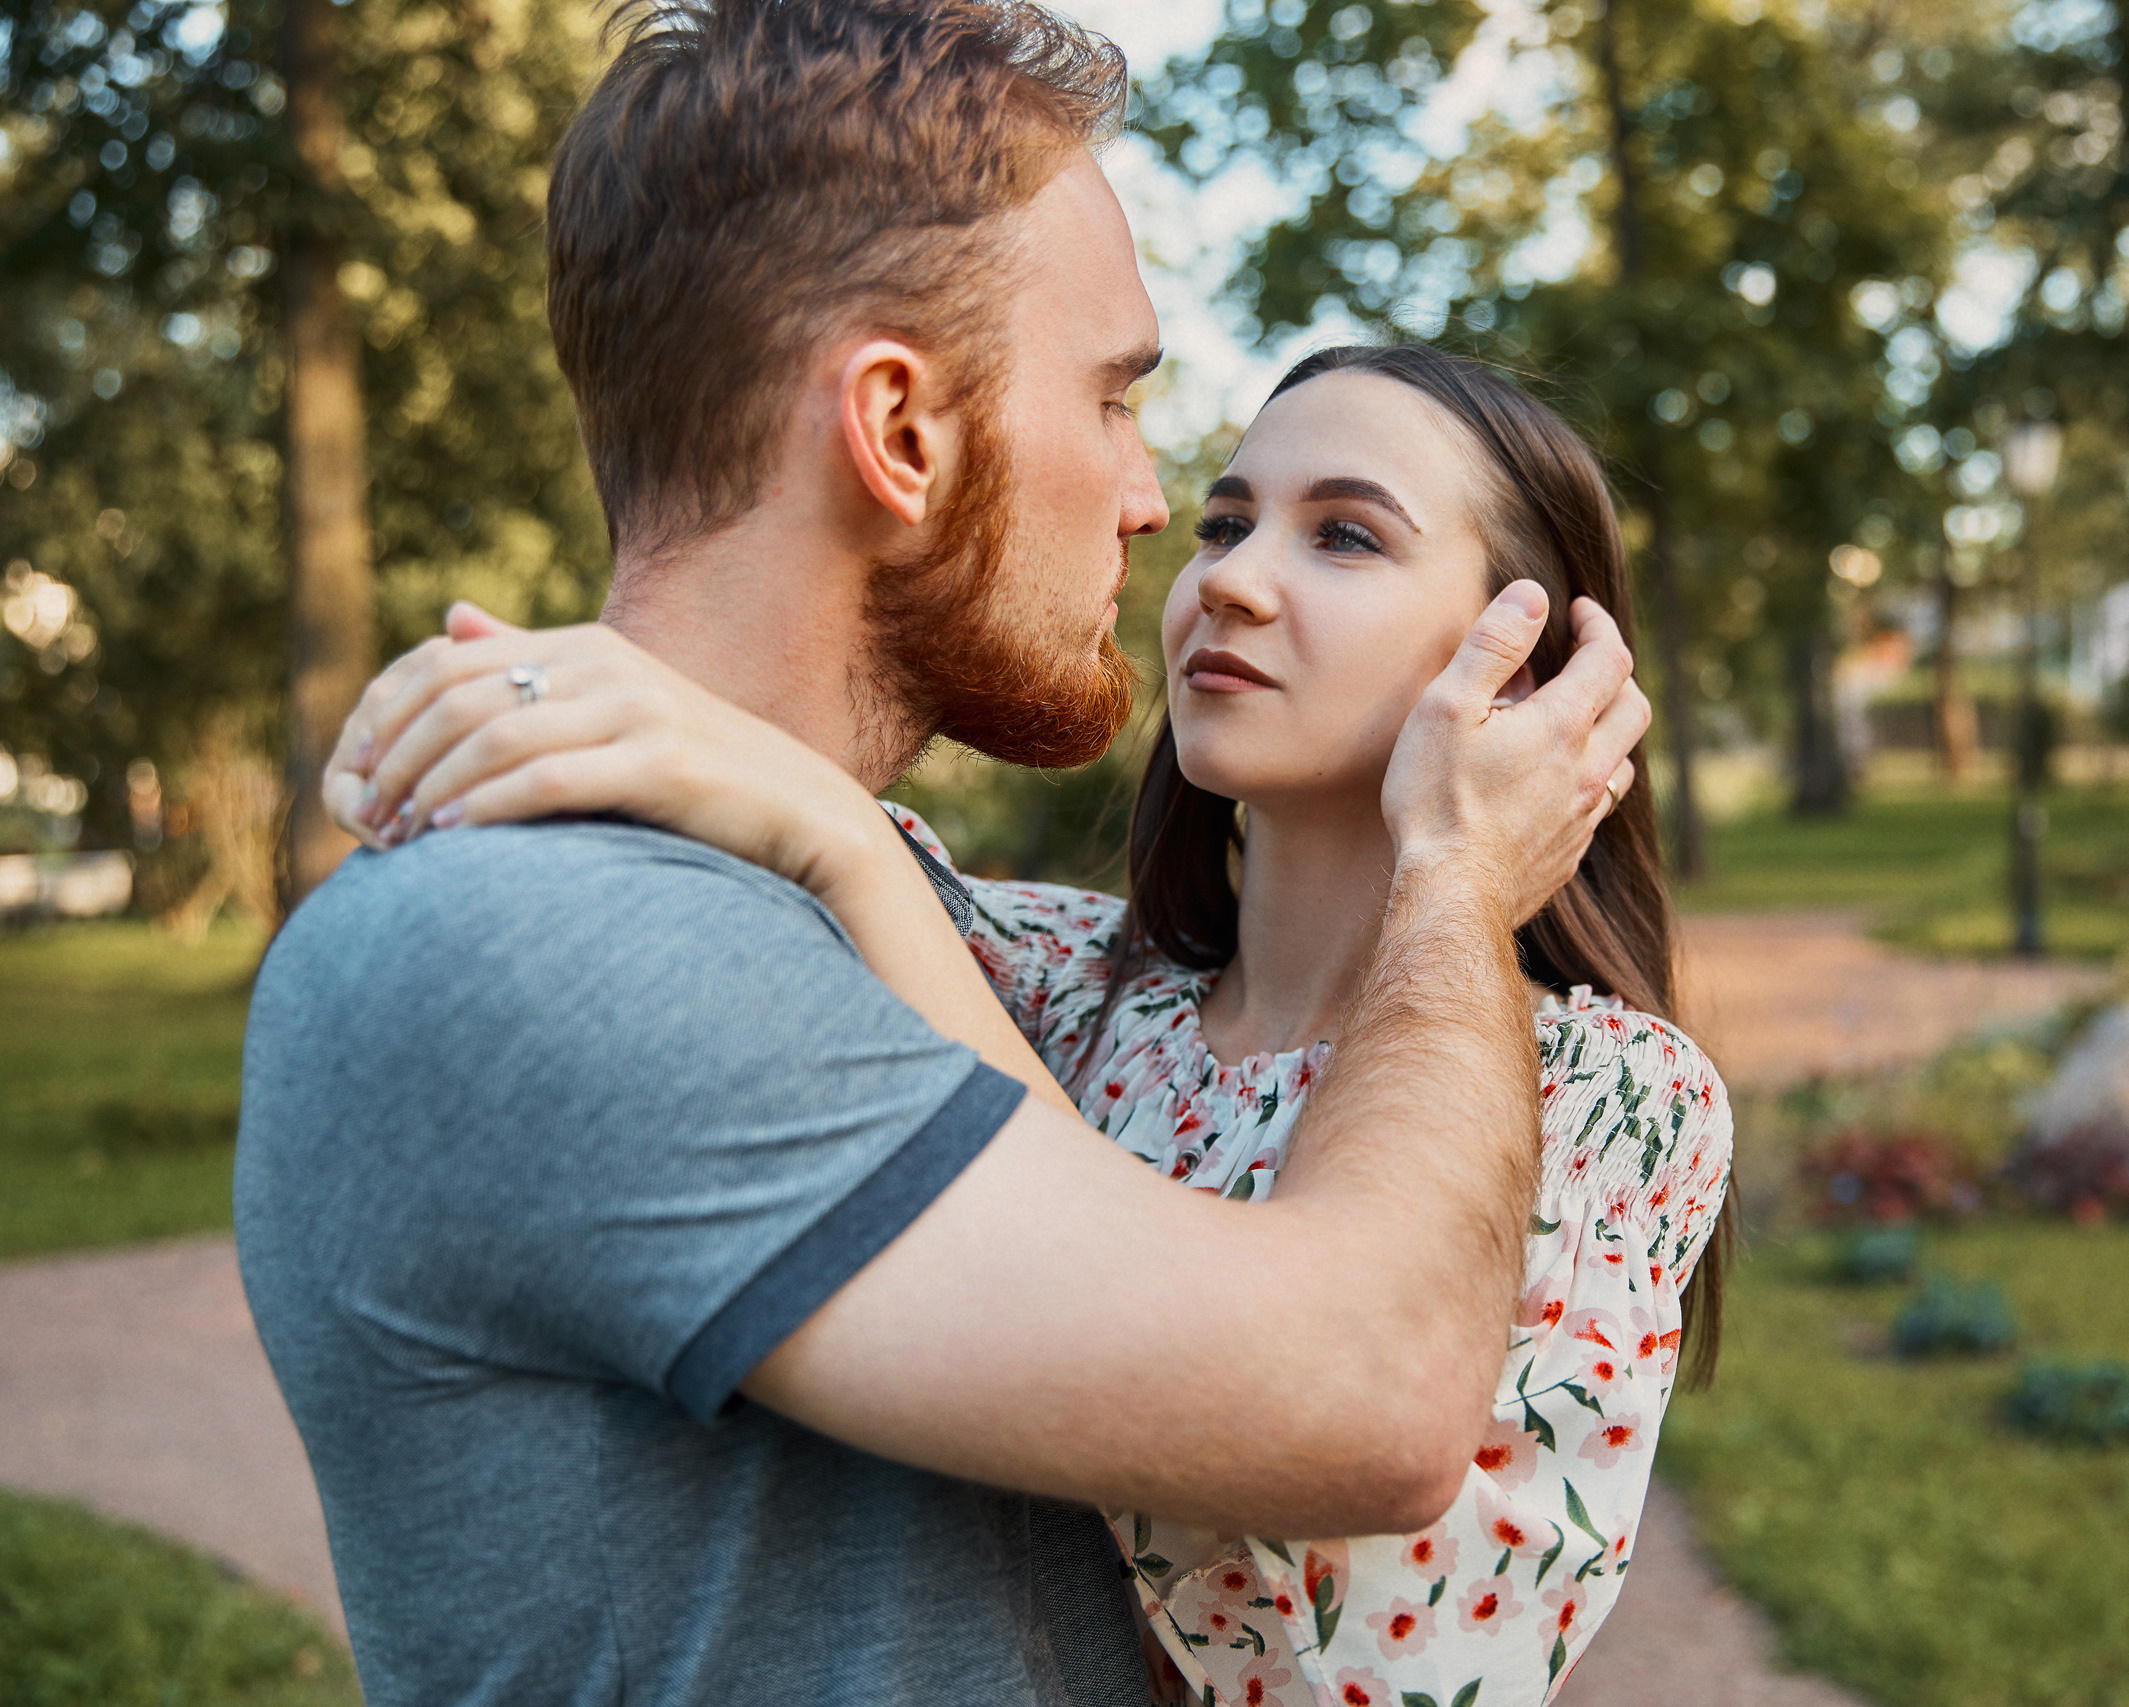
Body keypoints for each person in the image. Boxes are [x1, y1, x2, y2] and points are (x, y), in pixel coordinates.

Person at [234, 3, 1650, 1704]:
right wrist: (1451, 873)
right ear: (901, 433)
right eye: (1117, 402)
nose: (1153, 507)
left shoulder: (883, 918)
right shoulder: (553, 940)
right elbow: (1365, 1390)